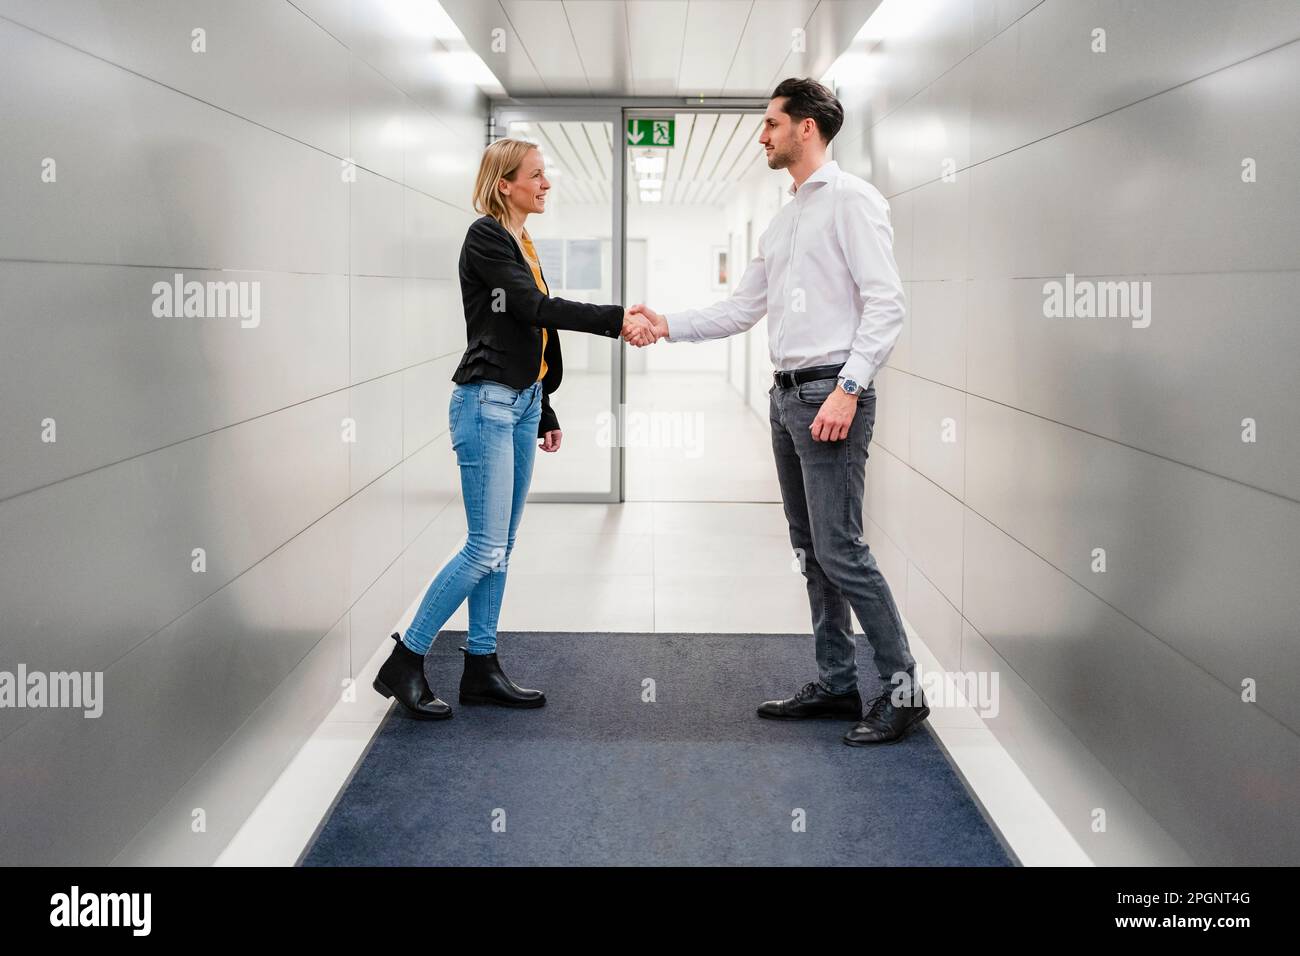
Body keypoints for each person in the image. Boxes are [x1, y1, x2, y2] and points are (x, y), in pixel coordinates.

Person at [629, 78, 929, 745]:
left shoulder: (852, 201)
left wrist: (850, 389)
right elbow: (742, 308)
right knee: (811, 550)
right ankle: (836, 681)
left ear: (807, 128)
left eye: (770, 124)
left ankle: (903, 689)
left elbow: (887, 302)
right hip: (787, 394)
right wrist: (665, 323)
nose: (761, 136)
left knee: (842, 549)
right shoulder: (785, 217)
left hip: (830, 393)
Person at [373, 138, 655, 720]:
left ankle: (481, 666)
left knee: (502, 548)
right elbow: (531, 309)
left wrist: (544, 405)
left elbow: (529, 334)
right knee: (484, 547)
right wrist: (615, 318)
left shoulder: (521, 242)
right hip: (485, 404)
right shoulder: (486, 236)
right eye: (537, 174)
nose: (546, 183)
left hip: (520, 402)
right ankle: (407, 659)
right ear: (506, 183)